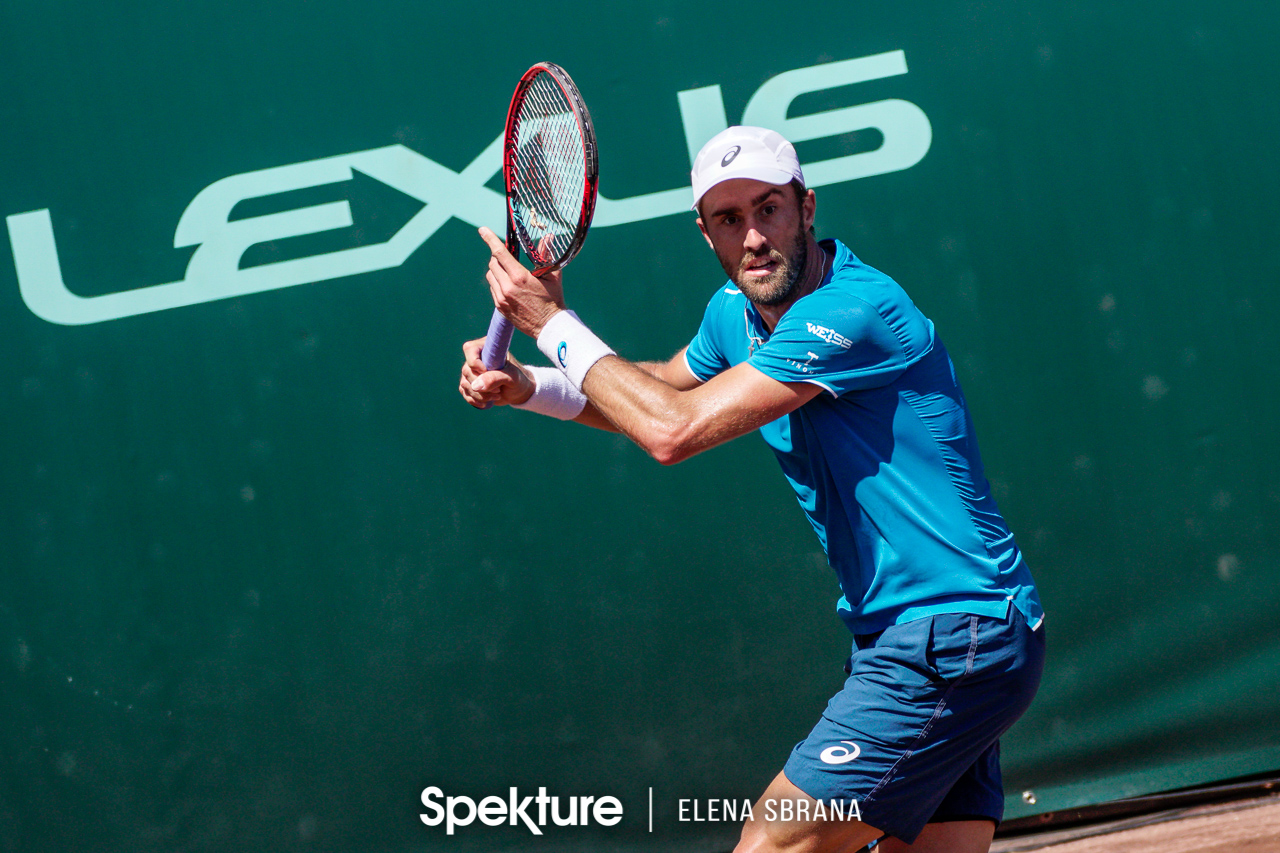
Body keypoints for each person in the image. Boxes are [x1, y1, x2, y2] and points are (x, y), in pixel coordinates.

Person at [458, 126, 1045, 853]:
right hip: (920, 637)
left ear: (807, 207)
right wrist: (530, 386)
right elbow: (654, 389)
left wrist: (553, 324)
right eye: (730, 219)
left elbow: (670, 430)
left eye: (769, 208)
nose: (755, 236)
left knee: (775, 842)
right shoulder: (732, 318)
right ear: (706, 234)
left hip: (955, 635)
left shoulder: (855, 308)